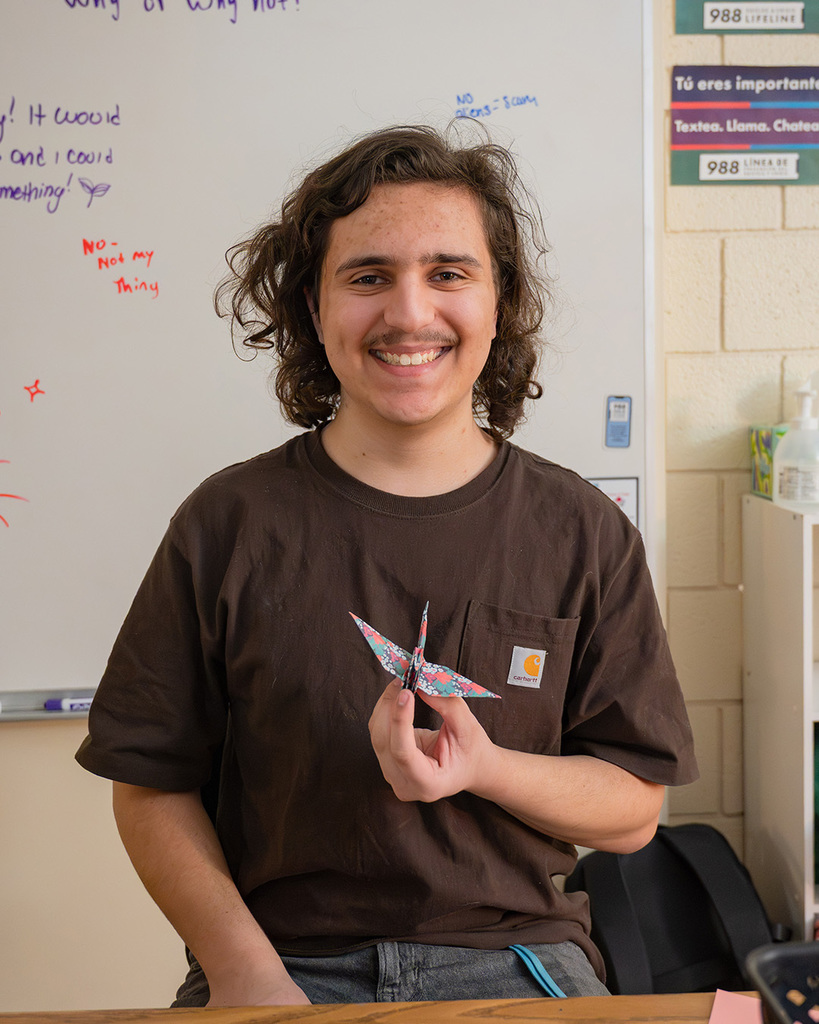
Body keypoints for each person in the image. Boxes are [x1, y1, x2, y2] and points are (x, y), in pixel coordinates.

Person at [76, 123, 697, 1008]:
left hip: (514, 962)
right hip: (280, 964)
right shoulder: (228, 522)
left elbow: (634, 811)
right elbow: (149, 789)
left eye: (448, 273)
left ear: (499, 301)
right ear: (312, 309)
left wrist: (485, 768)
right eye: (367, 277)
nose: (409, 313)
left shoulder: (582, 531)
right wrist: (247, 974)